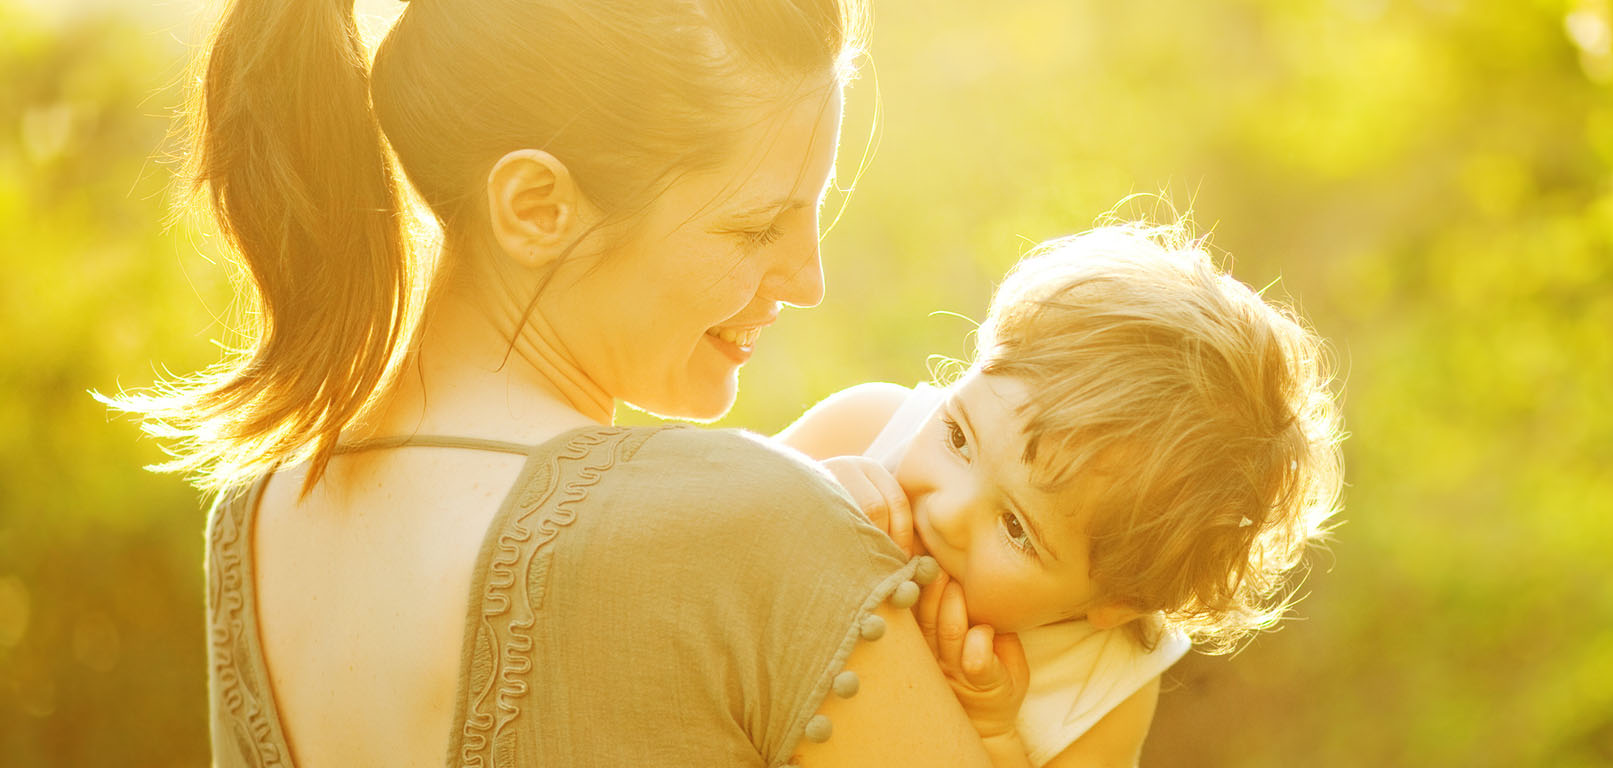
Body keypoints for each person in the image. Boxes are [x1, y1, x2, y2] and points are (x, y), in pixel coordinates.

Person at [105, 0, 1003, 764]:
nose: (808, 282)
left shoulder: (257, 521)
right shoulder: (759, 527)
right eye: (754, 230)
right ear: (536, 208)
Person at [775, 219, 1345, 767]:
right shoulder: (866, 431)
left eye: (1016, 527)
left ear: (1116, 601)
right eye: (957, 437)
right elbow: (697, 521)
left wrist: (991, 731)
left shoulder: (1101, 683)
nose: (946, 510)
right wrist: (800, 502)